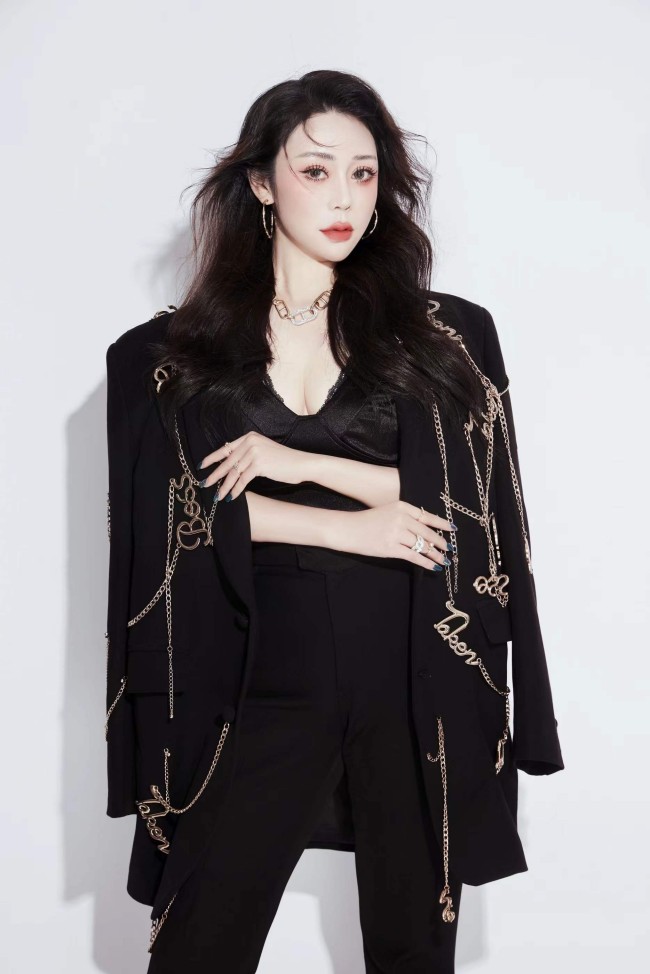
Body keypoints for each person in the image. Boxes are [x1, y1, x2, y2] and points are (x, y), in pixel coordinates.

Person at [104, 69, 564, 973]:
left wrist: (297, 465)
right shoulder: (163, 355)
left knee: (411, 952)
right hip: (252, 681)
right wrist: (347, 524)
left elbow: (473, 518)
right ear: (261, 182)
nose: (345, 197)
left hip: (413, 674)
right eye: (316, 171)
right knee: (197, 947)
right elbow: (162, 529)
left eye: (364, 173)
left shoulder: (449, 337)